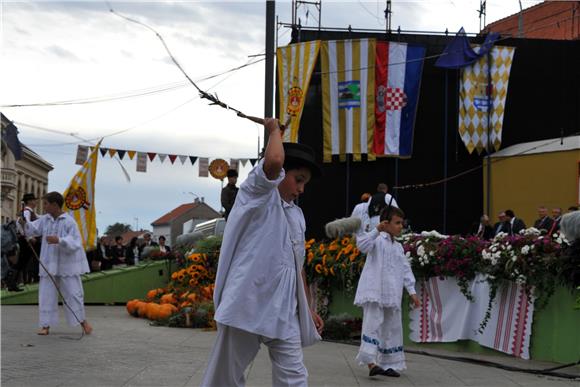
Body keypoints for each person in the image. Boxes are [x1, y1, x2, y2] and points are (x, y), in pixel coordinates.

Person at [201, 118, 324, 387]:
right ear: (281, 175)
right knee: (225, 376)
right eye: (298, 179)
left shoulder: (296, 214)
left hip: (284, 309)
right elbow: (275, 162)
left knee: (295, 377)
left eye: (305, 183)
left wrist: (306, 307)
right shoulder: (257, 194)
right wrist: (273, 130)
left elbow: (297, 263)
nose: (301, 189)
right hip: (248, 301)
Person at [354, 205, 420, 378]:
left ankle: (388, 363)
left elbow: (405, 269)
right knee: (372, 325)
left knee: (391, 328)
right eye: (397, 223)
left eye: (402, 223)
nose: (401, 226)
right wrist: (376, 229)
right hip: (375, 291)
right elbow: (362, 245)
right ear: (386, 223)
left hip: (392, 293)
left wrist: (412, 291)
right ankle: (371, 363)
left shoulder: (398, 247)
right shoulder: (376, 240)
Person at [20, 191, 92, 336]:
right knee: (46, 295)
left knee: (73, 293)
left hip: (66, 265)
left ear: (54, 205)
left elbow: (76, 242)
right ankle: (45, 325)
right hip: (49, 264)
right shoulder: (45, 219)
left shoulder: (69, 221)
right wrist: (23, 223)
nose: (44, 207)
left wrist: (59, 240)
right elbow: (32, 229)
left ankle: (83, 322)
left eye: (46, 204)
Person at [16, 193, 40, 284]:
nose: (35, 201)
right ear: (29, 201)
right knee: (24, 261)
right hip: (26, 240)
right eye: (34, 200)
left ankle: (34, 278)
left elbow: (39, 218)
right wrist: (29, 237)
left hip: (28, 239)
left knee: (26, 260)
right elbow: (21, 224)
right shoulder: (26, 212)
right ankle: (14, 281)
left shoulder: (31, 212)